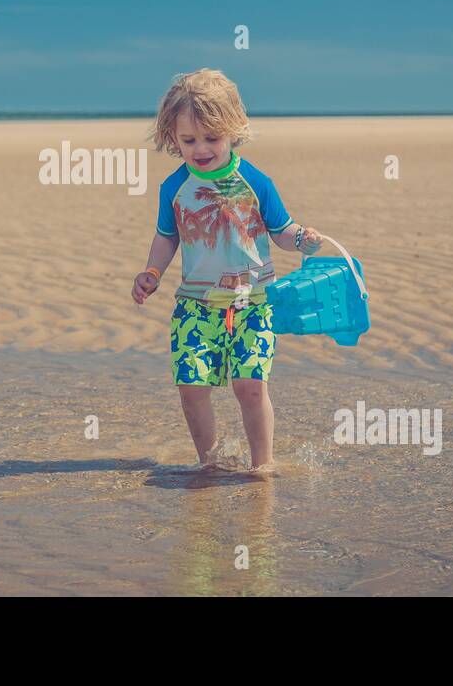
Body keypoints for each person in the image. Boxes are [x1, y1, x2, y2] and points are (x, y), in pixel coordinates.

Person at [131, 69, 322, 472]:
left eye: (211, 138)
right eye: (188, 140)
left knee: (250, 387)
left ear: (234, 131)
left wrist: (302, 239)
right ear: (172, 137)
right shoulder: (174, 187)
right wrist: (152, 271)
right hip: (195, 307)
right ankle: (210, 462)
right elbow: (167, 237)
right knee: (192, 387)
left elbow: (282, 232)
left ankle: (262, 465)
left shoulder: (254, 181)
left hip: (252, 303)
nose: (200, 149)